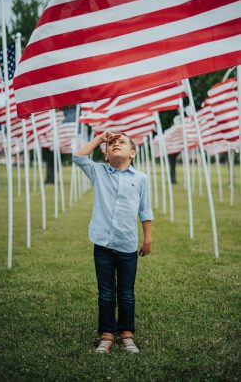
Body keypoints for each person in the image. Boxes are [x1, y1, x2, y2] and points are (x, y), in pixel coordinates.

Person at [72, 130, 154, 354]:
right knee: (106, 293)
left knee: (126, 293)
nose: (116, 144)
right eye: (113, 143)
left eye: (122, 142)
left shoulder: (141, 179)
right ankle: (107, 335)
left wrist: (147, 239)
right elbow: (78, 157)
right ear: (106, 154)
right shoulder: (99, 172)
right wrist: (100, 139)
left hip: (128, 245)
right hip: (103, 245)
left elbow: (145, 210)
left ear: (133, 153)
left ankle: (127, 335)